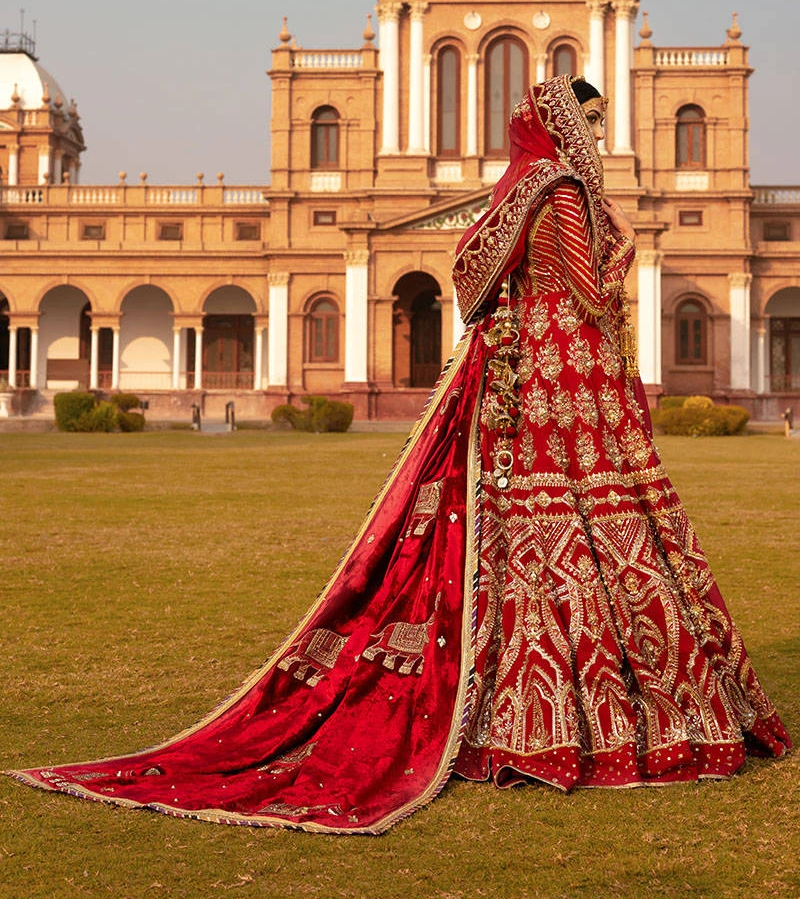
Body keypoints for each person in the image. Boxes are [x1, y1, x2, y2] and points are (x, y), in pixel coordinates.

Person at [7, 75, 790, 833]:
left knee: (512, 529)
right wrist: (619, 241)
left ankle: (510, 709)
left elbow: (475, 278)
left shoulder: (515, 189)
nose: (597, 135)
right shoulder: (563, 193)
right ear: (565, 126)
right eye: (590, 121)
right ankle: (600, 702)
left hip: (517, 376)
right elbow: (590, 289)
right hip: (566, 378)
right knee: (590, 521)